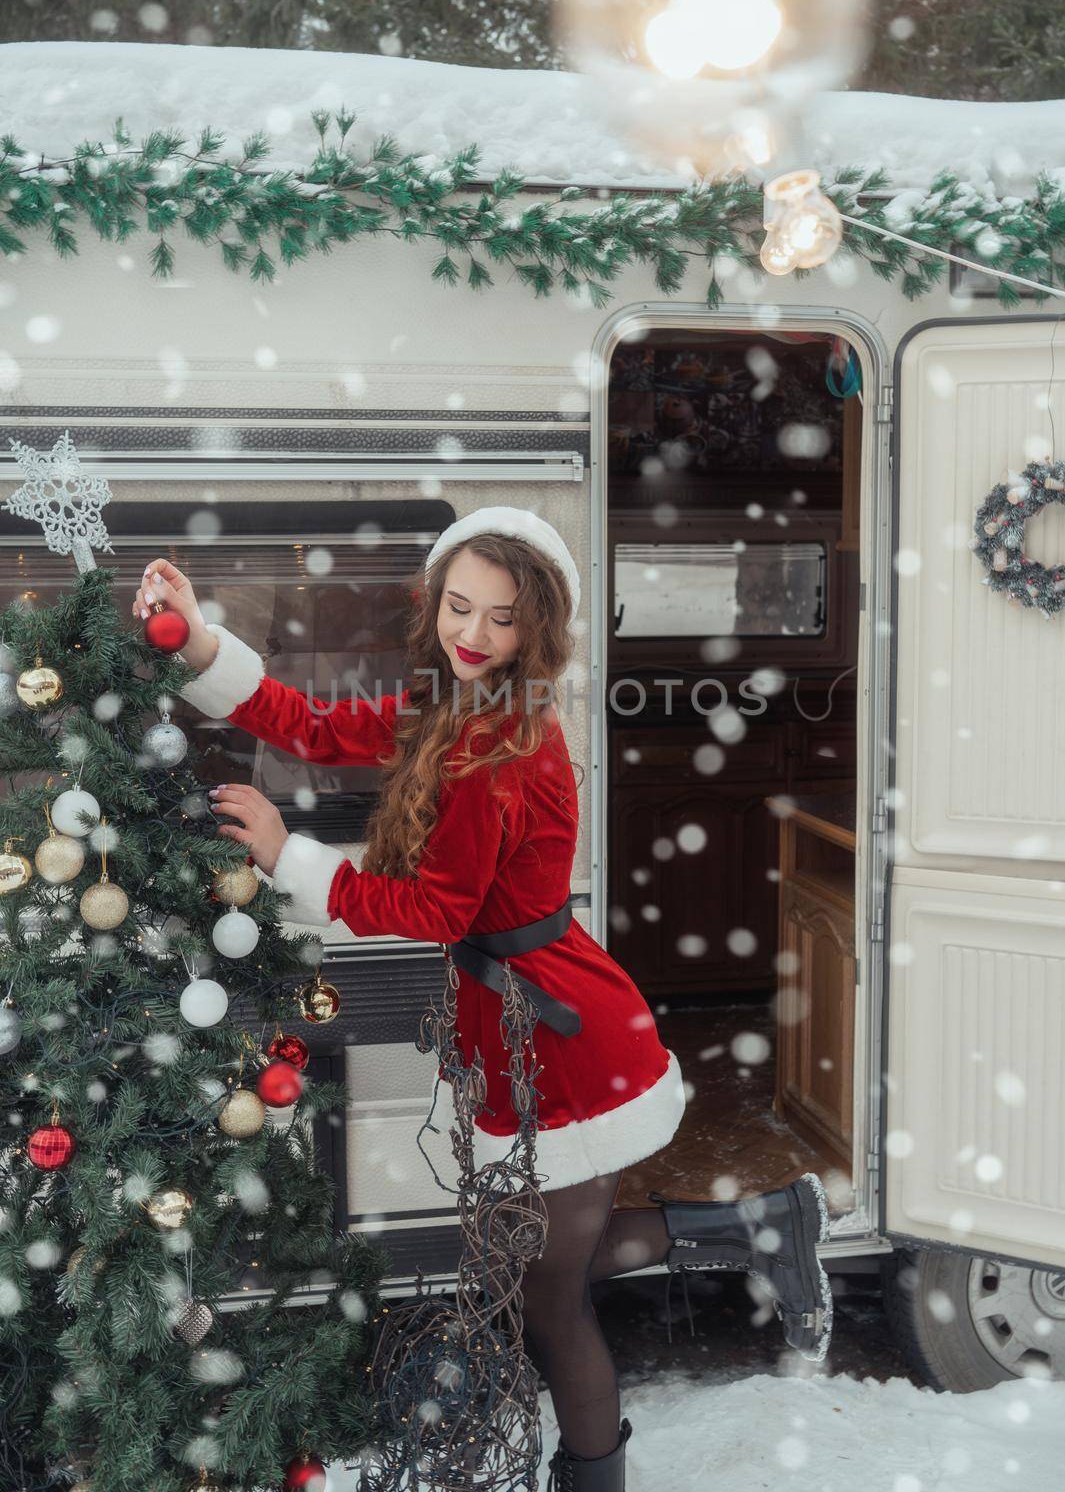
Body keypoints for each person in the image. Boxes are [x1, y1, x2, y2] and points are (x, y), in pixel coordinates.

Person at [131, 507, 832, 1492]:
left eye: (501, 618)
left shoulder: (496, 748)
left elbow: (429, 908)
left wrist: (287, 854)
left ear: (534, 628)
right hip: (527, 1016)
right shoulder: (450, 707)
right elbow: (318, 729)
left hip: (559, 1033)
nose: (473, 633)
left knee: (550, 1300)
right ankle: (761, 1225)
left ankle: (595, 1470)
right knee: (545, 1269)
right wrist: (203, 641)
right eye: (459, 606)